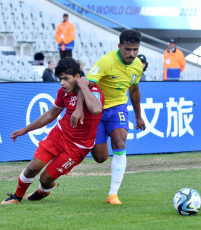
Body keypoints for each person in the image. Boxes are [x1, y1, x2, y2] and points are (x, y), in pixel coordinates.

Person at [0, 58, 104, 205]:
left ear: (77, 76)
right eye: (60, 79)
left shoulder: (94, 90)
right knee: (32, 167)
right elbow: (51, 114)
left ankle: (42, 192)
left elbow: (96, 109)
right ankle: (17, 197)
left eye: (66, 79)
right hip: (59, 135)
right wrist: (25, 130)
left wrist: (83, 86)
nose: (62, 83)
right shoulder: (63, 92)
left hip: (77, 147)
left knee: (45, 179)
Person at [73, 29, 146, 205]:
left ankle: (113, 194)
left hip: (118, 107)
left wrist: (139, 116)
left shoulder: (137, 66)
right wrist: (79, 109)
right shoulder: (106, 62)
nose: (132, 53)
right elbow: (85, 85)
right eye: (128, 49)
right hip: (97, 110)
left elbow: (134, 90)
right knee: (100, 157)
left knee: (120, 143)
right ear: (120, 46)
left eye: (135, 49)